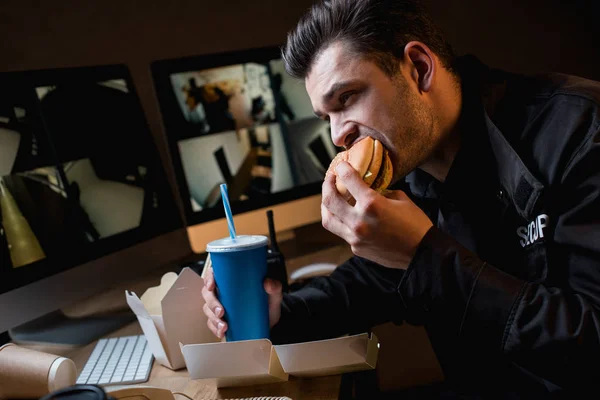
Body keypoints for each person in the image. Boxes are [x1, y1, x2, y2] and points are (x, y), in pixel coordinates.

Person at [202, 0, 600, 397]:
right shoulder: (411, 173)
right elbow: (367, 283)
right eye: (327, 118)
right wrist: (280, 313)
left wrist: (423, 256)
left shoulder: (578, 132)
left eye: (347, 98)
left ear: (419, 69)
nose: (338, 136)